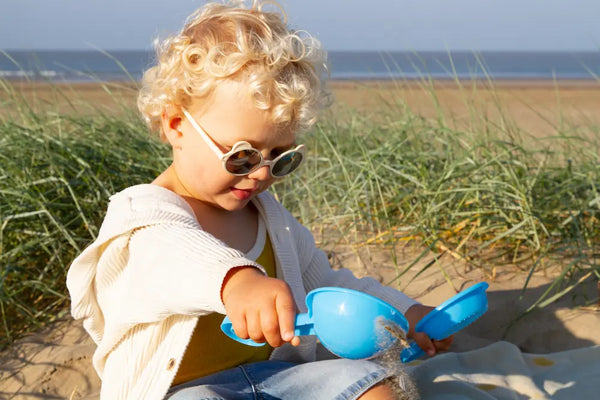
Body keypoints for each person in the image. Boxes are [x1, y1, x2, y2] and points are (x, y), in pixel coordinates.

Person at [66, 1, 452, 399]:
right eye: (242, 156)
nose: (261, 173)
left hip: (277, 378)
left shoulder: (273, 221)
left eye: (280, 157)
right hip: (184, 390)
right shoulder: (142, 217)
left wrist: (404, 314)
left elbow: (331, 285)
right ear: (176, 125)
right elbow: (175, 255)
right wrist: (237, 282)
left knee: (372, 385)